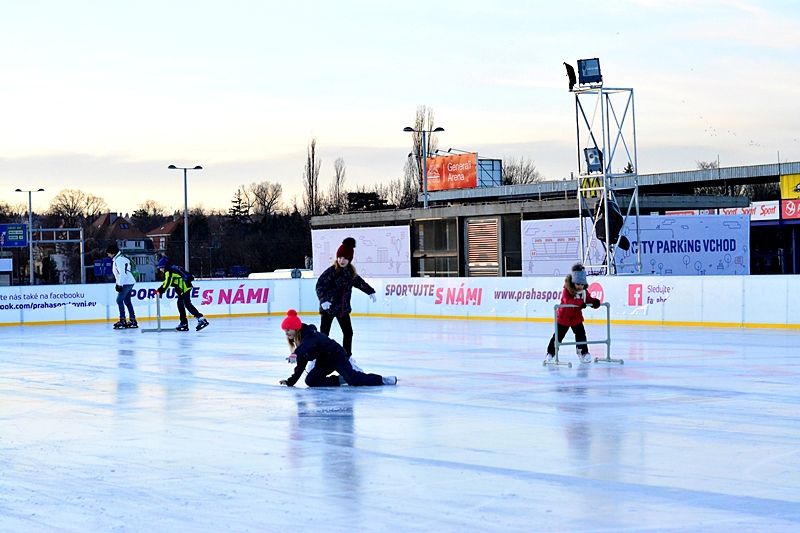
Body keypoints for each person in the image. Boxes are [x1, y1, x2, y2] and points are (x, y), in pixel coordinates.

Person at [279, 309, 396, 387]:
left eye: (288, 329)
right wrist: (290, 382)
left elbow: (308, 344)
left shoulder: (309, 334)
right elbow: (301, 365)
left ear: (296, 327)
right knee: (310, 381)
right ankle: (340, 380)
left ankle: (383, 380)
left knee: (353, 380)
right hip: (324, 361)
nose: (286, 333)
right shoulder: (300, 343)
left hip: (336, 355)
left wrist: (295, 353)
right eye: (285, 330)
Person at [315, 237, 376, 356]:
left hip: (343, 309)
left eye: (345, 258)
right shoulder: (331, 271)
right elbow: (320, 286)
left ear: (350, 259)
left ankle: (347, 356)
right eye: (340, 257)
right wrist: (323, 300)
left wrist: (370, 291)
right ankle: (320, 356)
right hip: (328, 308)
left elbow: (359, 282)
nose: (341, 260)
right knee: (324, 334)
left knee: (348, 333)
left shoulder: (350, 273)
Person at [545, 263, 601, 364]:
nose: (580, 286)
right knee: (558, 337)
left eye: (582, 284)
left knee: (581, 335)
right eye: (578, 284)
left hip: (576, 318)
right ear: (573, 282)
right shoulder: (567, 290)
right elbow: (568, 301)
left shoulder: (583, 291)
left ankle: (583, 352)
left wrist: (594, 302)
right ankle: (550, 353)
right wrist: (581, 303)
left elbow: (587, 299)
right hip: (564, 318)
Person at [156, 257, 209, 332]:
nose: (160, 270)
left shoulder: (169, 271)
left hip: (184, 288)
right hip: (184, 288)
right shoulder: (172, 268)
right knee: (180, 304)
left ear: (164, 266)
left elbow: (167, 283)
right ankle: (184, 323)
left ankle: (201, 319)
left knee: (187, 304)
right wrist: (160, 289)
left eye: (161, 268)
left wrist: (160, 290)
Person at [107, 244, 137, 329]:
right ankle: (132, 320)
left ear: (112, 253)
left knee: (119, 300)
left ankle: (122, 320)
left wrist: (119, 285)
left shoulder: (119, 260)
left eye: (108, 253)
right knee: (127, 301)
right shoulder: (120, 258)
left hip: (126, 282)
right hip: (129, 281)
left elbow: (122, 274)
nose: (108, 255)